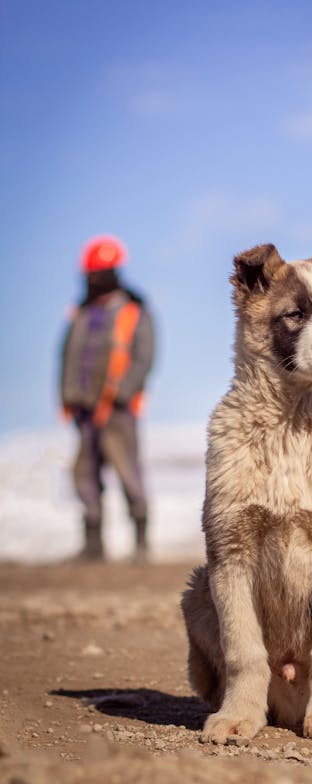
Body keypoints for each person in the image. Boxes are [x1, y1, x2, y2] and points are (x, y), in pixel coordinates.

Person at [60, 236, 155, 562]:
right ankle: (93, 545)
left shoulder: (133, 311)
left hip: (118, 412)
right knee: (84, 475)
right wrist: (67, 396)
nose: (91, 279)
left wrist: (123, 394)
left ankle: (141, 544)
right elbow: (68, 356)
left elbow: (144, 357)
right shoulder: (81, 313)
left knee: (129, 474)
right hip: (84, 411)